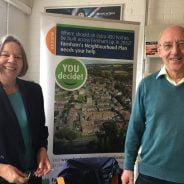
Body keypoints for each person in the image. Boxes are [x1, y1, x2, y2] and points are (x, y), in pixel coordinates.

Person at [121, 25, 184, 184]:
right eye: (168, 46)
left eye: (182, 44)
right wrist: (128, 167)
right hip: (150, 176)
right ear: (159, 50)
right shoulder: (147, 85)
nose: (175, 51)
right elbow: (135, 129)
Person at [0, 35, 52, 184]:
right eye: (5, 55)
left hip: (33, 176)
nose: (12, 60)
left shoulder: (34, 91)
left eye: (18, 56)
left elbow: (41, 130)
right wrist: (2, 169)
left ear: (23, 63)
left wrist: (42, 151)